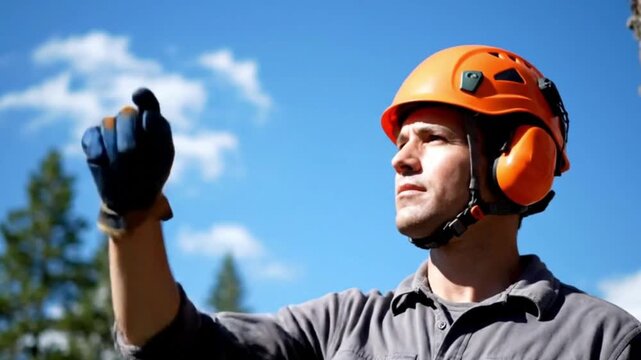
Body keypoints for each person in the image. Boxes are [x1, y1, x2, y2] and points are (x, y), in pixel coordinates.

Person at [81, 45, 641, 359]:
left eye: (434, 139)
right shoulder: (338, 328)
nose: (401, 160)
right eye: (401, 144)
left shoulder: (602, 341)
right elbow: (173, 351)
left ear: (519, 160)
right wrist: (132, 218)